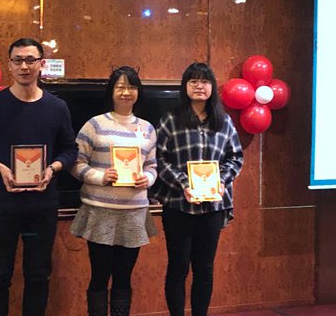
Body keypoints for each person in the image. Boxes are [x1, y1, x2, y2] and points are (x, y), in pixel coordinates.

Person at [0, 38, 78, 316]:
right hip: (2, 206)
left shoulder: (57, 107)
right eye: (18, 60)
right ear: (9, 65)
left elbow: (70, 149)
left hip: (42, 206)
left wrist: (53, 168)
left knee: (38, 275)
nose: (24, 66)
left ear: (41, 64)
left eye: (30, 60)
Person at [151, 62, 243, 316]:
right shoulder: (171, 119)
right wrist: (184, 184)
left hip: (213, 206)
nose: (199, 86)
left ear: (212, 87)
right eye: (193, 81)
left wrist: (221, 181)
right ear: (185, 86)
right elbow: (159, 159)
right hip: (178, 205)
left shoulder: (224, 121)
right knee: (178, 267)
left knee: (204, 268)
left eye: (204, 81)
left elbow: (235, 157)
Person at [70, 66, 157, 316]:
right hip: (101, 212)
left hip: (134, 213)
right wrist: (100, 177)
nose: (126, 92)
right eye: (120, 87)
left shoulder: (147, 128)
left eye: (131, 87)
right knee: (99, 277)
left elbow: (152, 165)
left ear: (138, 92)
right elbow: (75, 163)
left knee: (123, 278)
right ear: (112, 91)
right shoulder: (94, 125)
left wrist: (147, 179)